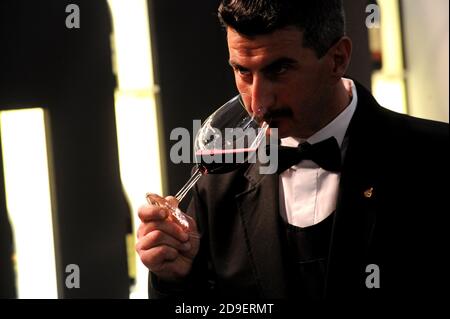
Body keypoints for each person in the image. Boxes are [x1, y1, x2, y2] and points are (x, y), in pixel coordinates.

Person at [136, 0, 448, 300]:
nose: (258, 102)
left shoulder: (433, 158)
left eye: (279, 70)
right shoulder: (216, 184)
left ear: (338, 58)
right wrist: (174, 279)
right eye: (243, 72)